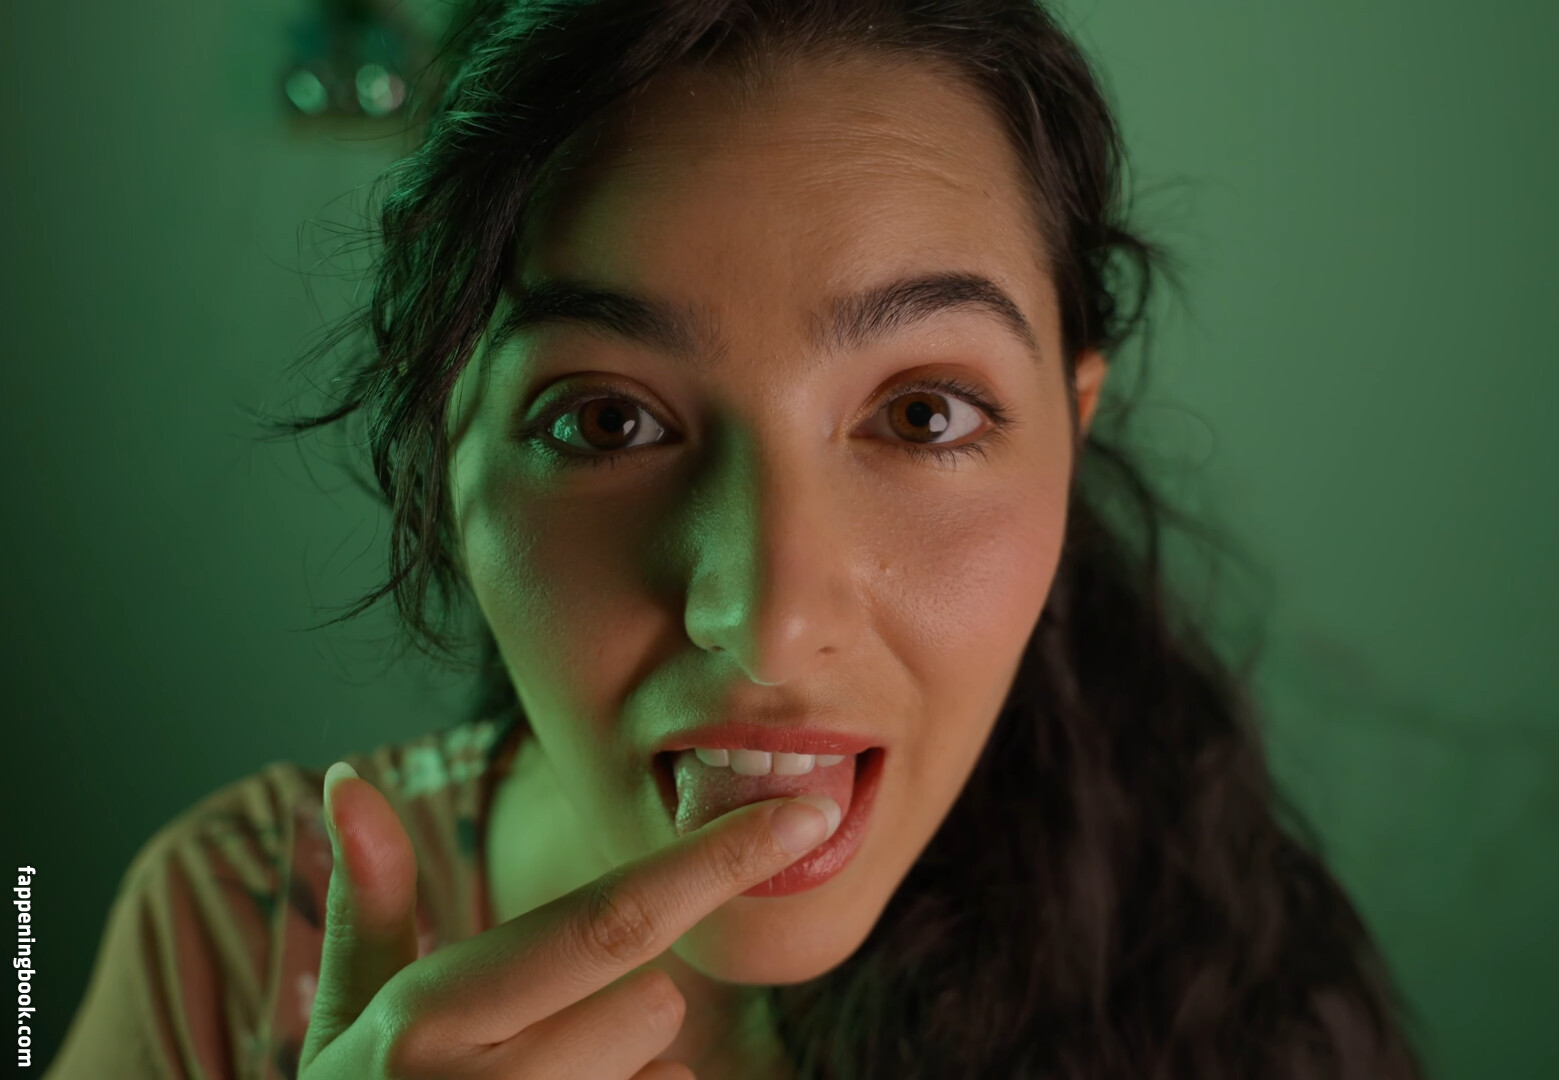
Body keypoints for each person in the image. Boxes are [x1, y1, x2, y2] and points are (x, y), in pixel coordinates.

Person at [47, 1, 1431, 1077]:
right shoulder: (231, 938)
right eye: (606, 421)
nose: (767, 622)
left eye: (925, 415)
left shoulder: (1241, 1003)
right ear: (444, 462)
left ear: (1071, 435)